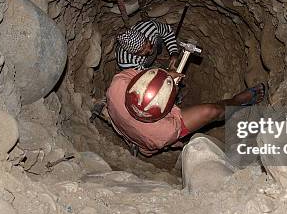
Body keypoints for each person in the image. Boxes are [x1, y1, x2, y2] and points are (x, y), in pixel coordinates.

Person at [105, 67, 266, 156]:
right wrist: (172, 86)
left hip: (128, 122)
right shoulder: (164, 131)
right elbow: (175, 116)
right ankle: (238, 101)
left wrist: (166, 75)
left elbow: (143, 76)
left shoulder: (117, 85)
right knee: (211, 111)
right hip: (150, 137)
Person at [115, 20, 180, 71]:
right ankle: (148, 65)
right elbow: (142, 78)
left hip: (154, 39)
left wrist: (173, 52)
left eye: (146, 43)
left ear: (144, 36)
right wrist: (167, 73)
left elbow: (168, 32)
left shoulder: (151, 27)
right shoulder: (127, 63)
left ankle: (158, 53)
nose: (150, 50)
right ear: (133, 53)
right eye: (142, 51)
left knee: (157, 41)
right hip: (141, 63)